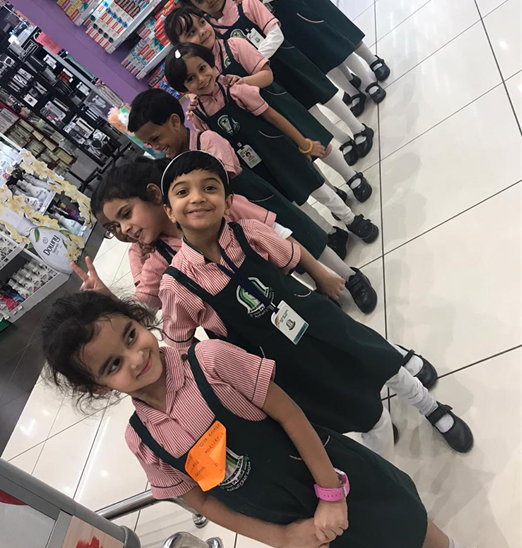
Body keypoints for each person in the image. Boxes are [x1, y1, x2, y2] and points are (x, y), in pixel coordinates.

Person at [43, 292, 496, 548]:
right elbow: (204, 502)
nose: (136, 357)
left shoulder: (211, 360)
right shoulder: (142, 441)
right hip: (290, 521)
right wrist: (284, 538)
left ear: (139, 320)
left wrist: (330, 493)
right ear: (98, 387)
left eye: (130, 335)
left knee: (402, 520)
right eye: (113, 365)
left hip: (329, 471)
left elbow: (291, 415)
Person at [156, 151, 474, 458]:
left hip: (317, 320)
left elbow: (291, 260)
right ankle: (380, 450)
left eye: (210, 187)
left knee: (379, 359)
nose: (197, 198)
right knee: (349, 407)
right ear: (169, 211)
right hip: (284, 361)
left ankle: (430, 407)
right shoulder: (176, 285)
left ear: (228, 202)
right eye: (182, 192)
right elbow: (181, 351)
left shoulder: (249, 233)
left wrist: (322, 277)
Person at [124, 88, 379, 311]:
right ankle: (319, 286)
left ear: (174, 122)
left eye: (156, 138)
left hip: (255, 200)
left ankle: (350, 276)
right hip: (230, 225)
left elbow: (222, 179)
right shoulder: (168, 170)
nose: (155, 147)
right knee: (276, 257)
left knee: (304, 236)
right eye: (148, 144)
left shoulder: (207, 140)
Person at [163, 42, 371, 223]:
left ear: (211, 64)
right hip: (256, 166)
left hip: (278, 147)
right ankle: (330, 230)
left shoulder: (236, 88)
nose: (201, 79)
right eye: (190, 79)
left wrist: (303, 143)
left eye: (202, 68)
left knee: (315, 184)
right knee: (292, 199)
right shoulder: (197, 115)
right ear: (184, 88)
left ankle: (350, 219)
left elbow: (273, 116)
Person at [176, 0, 375, 138]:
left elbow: (275, 33)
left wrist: (255, 60)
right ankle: (343, 140)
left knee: (325, 94)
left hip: (287, 60)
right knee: (308, 109)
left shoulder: (246, 3)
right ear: (193, 7)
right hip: (267, 82)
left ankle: (357, 128)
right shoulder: (211, 34)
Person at [221, 0, 391, 114]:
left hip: (310, 2)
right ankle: (352, 85)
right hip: (292, 24)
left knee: (342, 32)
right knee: (323, 56)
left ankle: (372, 61)